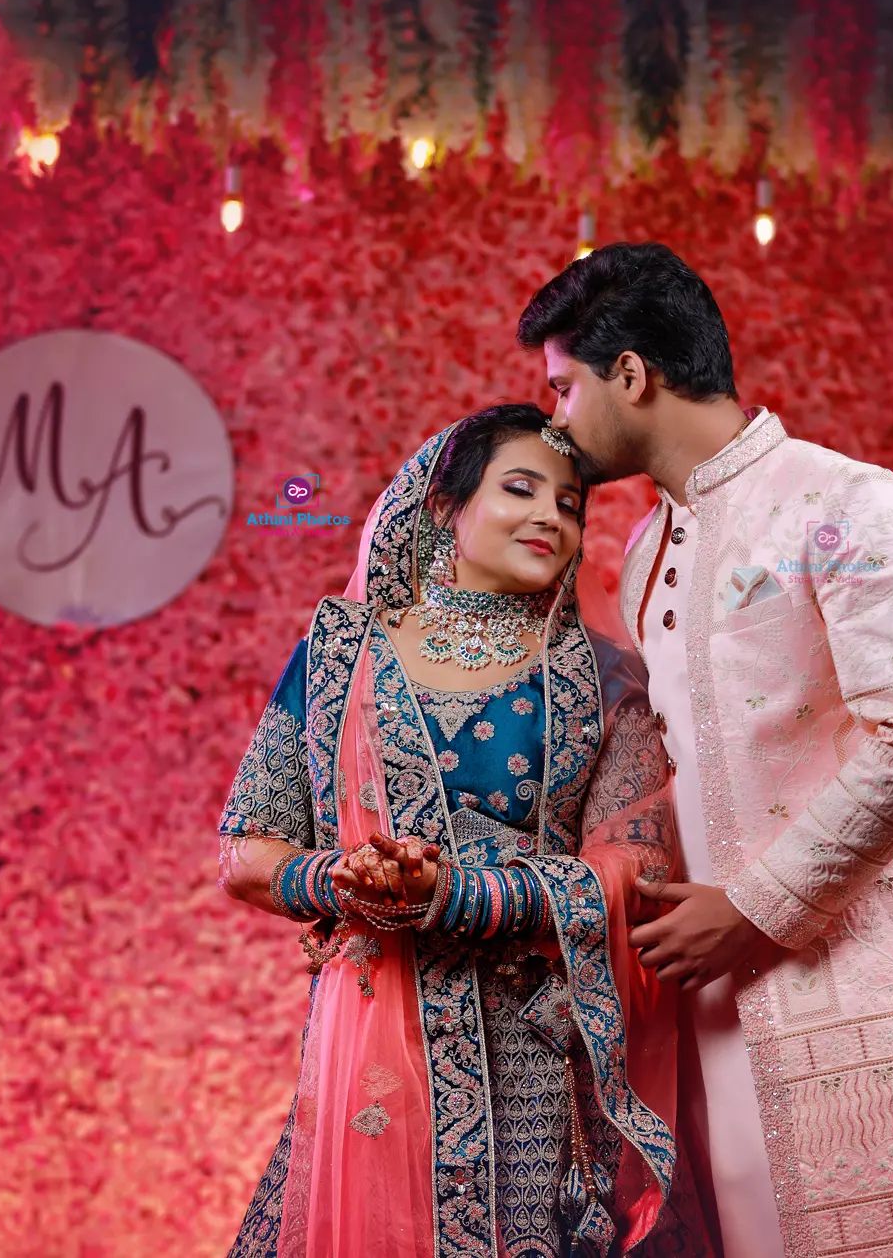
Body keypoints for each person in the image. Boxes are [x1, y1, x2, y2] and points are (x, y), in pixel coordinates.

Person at [517, 243, 893, 1257]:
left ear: (633, 375)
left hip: (840, 995)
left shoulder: (842, 503)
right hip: (698, 1008)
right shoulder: (650, 544)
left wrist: (755, 908)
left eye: (564, 387)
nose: (556, 419)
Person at [216, 403, 702, 1258]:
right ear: (445, 507)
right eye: (521, 489)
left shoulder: (599, 674)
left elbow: (637, 863)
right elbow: (247, 848)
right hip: (369, 1030)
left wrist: (464, 894)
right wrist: (344, 881)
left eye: (570, 504)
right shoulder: (340, 657)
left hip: (532, 1046)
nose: (551, 517)